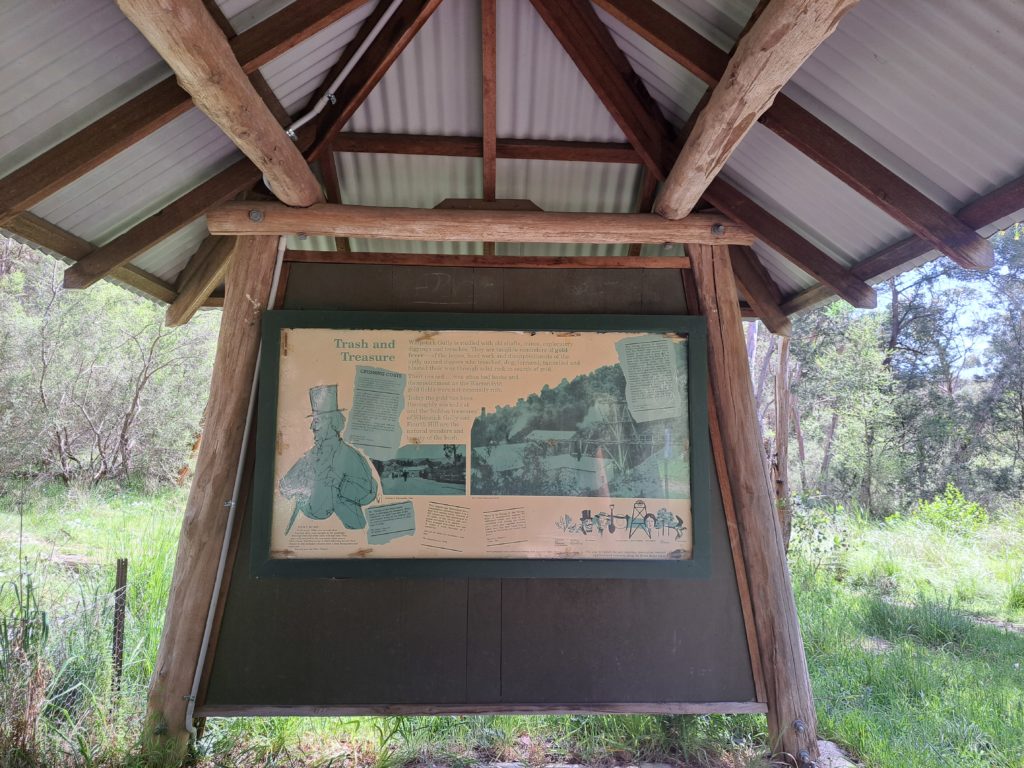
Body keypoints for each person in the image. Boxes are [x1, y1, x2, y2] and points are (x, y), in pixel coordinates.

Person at [280, 385, 378, 534]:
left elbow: (369, 492)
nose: (312, 426)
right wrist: (296, 485)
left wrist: (341, 485)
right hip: (306, 535)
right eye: (313, 420)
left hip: (349, 534)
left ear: (332, 422)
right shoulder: (310, 456)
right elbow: (284, 486)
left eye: (317, 420)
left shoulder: (350, 456)